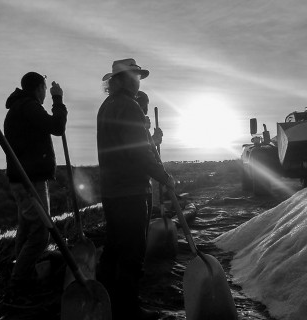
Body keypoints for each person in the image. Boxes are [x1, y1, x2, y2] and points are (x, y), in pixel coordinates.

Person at [96, 58, 175, 320]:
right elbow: (140, 152)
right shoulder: (129, 107)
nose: (136, 79)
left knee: (114, 247)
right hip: (131, 191)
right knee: (132, 252)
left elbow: (131, 146)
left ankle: (102, 300)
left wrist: (152, 142)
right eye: (133, 76)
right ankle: (128, 309)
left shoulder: (107, 106)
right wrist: (163, 177)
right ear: (119, 80)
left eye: (137, 75)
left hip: (112, 190)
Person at [2, 72, 67, 306]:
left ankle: (22, 278)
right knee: (40, 234)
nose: (46, 92)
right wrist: (58, 100)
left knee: (27, 228)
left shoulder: (19, 107)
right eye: (45, 88)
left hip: (22, 179)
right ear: (38, 87)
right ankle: (17, 285)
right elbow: (57, 127)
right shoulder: (28, 107)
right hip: (30, 181)